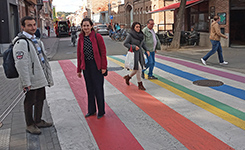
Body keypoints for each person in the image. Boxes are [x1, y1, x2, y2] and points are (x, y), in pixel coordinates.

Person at [13, 16, 54, 135]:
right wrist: (26, 82)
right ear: (23, 27)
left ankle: (38, 120)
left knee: (40, 99)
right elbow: (21, 64)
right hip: (31, 79)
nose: (33, 27)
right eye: (29, 25)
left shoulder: (36, 40)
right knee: (29, 101)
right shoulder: (21, 42)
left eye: (34, 24)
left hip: (40, 76)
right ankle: (30, 124)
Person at [77, 18, 107, 119]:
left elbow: (103, 53)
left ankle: (101, 111)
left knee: (98, 89)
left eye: (87, 25)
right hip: (86, 66)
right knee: (89, 89)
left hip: (96, 66)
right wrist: (79, 69)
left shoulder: (97, 37)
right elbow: (79, 54)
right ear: (81, 27)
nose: (86, 28)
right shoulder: (81, 38)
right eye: (84, 26)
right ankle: (91, 110)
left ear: (91, 26)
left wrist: (104, 67)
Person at [123, 22, 150, 90]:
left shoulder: (141, 35)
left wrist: (147, 50)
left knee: (136, 69)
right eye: (136, 27)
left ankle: (128, 77)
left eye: (139, 27)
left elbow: (143, 44)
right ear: (133, 27)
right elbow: (125, 43)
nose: (138, 28)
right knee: (139, 68)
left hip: (139, 54)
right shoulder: (130, 35)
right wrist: (133, 46)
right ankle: (140, 84)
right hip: (133, 54)